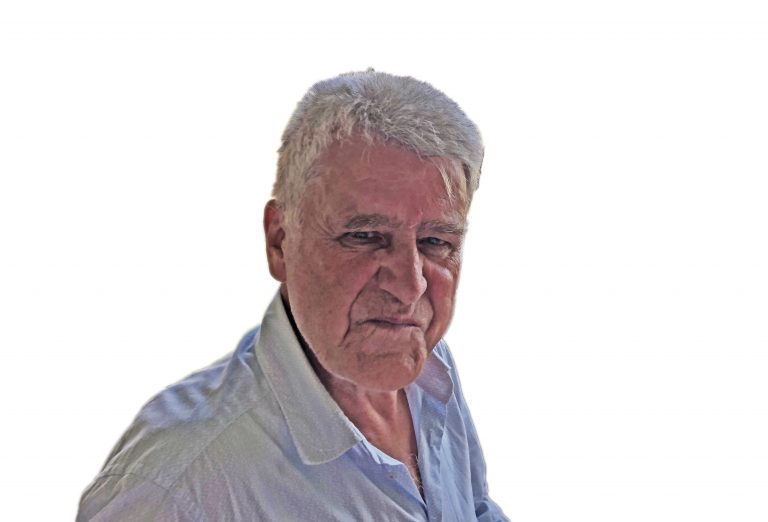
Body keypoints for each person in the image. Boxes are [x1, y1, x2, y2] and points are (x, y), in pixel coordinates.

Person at [77, 70, 509, 521]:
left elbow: (473, 508)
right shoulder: (176, 489)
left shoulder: (430, 369)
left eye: (436, 242)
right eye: (364, 236)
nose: (410, 286)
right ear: (279, 241)